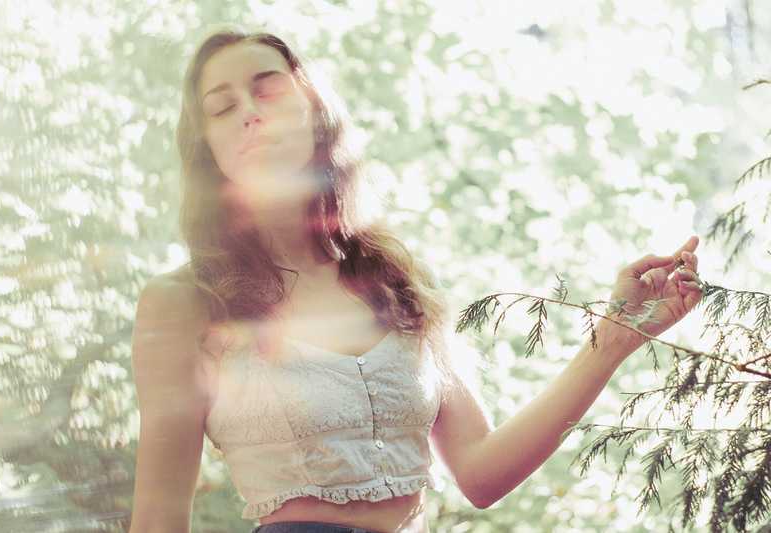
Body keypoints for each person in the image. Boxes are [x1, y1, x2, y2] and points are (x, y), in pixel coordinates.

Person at [127, 28, 704, 533]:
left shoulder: (395, 278)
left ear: (313, 108)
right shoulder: (185, 303)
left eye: (268, 87)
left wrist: (614, 336)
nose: (250, 110)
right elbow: (156, 518)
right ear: (208, 148)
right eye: (222, 107)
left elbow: (481, 473)